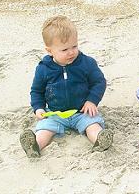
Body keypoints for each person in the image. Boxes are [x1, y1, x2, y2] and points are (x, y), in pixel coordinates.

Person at [20, 15, 113, 158]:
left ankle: (100, 141)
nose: (71, 52)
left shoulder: (86, 63)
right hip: (55, 114)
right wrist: (38, 108)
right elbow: (36, 91)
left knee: (92, 125)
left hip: (82, 111)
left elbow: (99, 82)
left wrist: (92, 100)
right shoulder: (43, 69)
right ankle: (34, 146)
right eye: (64, 50)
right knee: (45, 129)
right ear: (50, 51)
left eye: (74, 46)